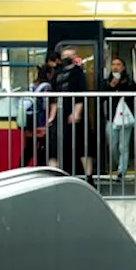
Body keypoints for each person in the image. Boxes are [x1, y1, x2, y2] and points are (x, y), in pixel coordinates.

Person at [47, 48, 92, 183]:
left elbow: (81, 94)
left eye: (70, 55)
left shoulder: (78, 72)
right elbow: (54, 98)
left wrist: (76, 112)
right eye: (64, 55)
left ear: (75, 57)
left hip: (74, 113)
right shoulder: (57, 73)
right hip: (60, 113)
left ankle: (89, 177)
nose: (67, 57)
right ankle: (53, 178)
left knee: (81, 145)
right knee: (54, 146)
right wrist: (51, 117)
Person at [104, 56, 136, 178]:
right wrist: (111, 87)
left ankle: (121, 171)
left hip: (124, 118)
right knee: (113, 145)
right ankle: (119, 164)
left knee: (123, 146)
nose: (115, 67)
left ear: (123, 67)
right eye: (113, 64)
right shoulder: (106, 81)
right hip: (111, 117)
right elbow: (102, 96)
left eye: (118, 64)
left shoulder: (129, 82)